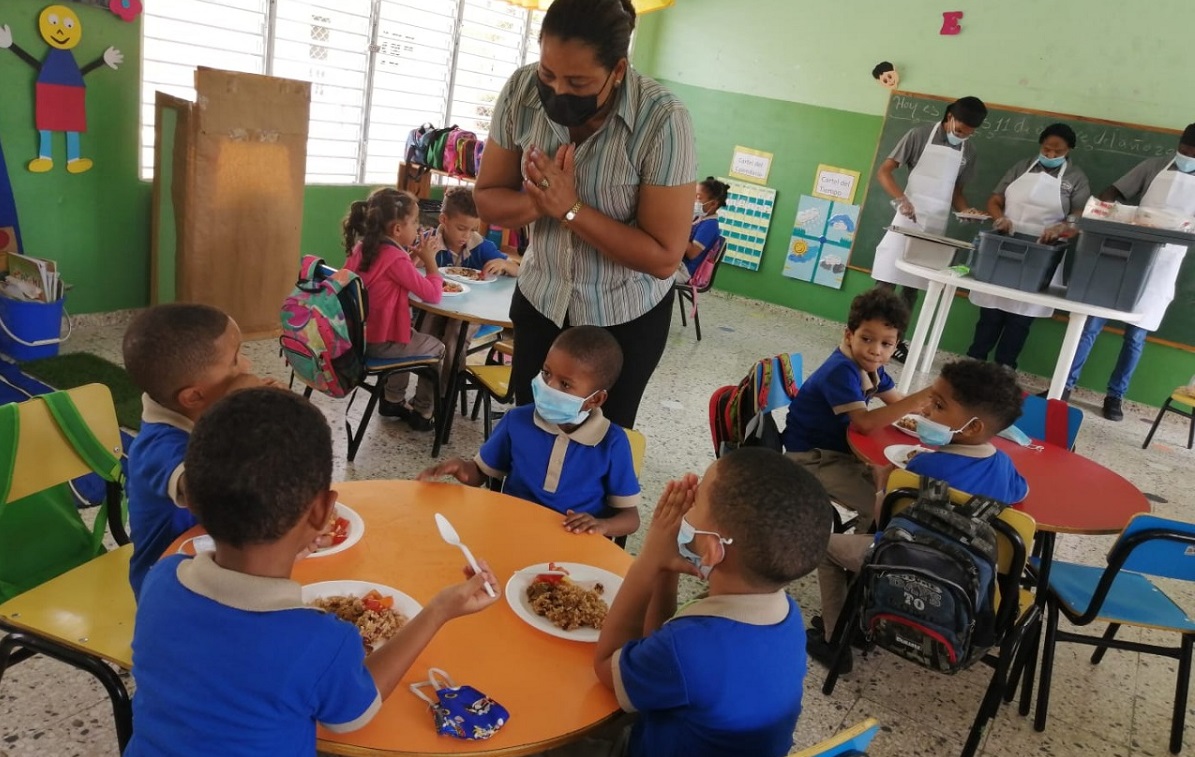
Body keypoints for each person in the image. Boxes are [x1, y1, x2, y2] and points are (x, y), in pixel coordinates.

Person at [125, 388, 499, 756]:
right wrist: (437, 611)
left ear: (192, 499)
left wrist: (287, 552)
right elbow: (357, 713)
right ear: (322, 513)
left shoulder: (161, 580)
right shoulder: (319, 640)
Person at [473, 0, 696, 430]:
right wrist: (538, 203)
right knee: (528, 434)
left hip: (623, 317)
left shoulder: (663, 120)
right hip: (543, 301)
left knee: (596, 451)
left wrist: (571, 210)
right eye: (548, 75)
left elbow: (665, 256)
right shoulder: (521, 92)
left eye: (578, 81)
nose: (558, 91)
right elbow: (487, 198)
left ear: (618, 70)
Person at [582, 448, 832, 757]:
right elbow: (658, 642)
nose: (687, 501)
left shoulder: (689, 648)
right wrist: (664, 568)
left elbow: (606, 665)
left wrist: (648, 560)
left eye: (696, 498)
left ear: (713, 550)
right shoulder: (787, 617)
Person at [807, 358, 1028, 674]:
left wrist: (883, 484)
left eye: (937, 405)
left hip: (905, 563)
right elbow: (1020, 493)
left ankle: (835, 639)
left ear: (974, 426)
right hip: (971, 581)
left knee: (827, 548)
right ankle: (856, 616)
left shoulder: (924, 470)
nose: (925, 411)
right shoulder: (1005, 467)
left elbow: (886, 521)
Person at [419, 326, 641, 538]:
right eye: (546, 373)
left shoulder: (611, 443)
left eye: (565, 384)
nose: (548, 386)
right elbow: (479, 474)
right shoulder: (517, 421)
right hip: (513, 530)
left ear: (595, 399)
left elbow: (630, 518)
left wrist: (602, 525)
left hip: (573, 544)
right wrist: (462, 468)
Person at [122, 303, 268, 599]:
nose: (247, 365)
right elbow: (214, 496)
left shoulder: (200, 416)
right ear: (193, 396)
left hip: (217, 562)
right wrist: (239, 412)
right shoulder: (157, 448)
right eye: (235, 359)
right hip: (169, 591)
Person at [1063, 123, 1195, 421]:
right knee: (1091, 323)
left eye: (1194, 154)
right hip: (1127, 254)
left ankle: (1115, 397)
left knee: (1136, 336)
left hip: (1166, 263)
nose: (1188, 157)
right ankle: (1065, 385)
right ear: (1179, 142)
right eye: (1185, 151)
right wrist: (1105, 210)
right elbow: (1114, 191)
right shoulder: (1154, 166)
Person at [781, 289, 933, 524]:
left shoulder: (871, 365)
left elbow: (896, 400)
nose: (876, 350)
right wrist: (917, 399)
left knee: (896, 488)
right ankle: (860, 555)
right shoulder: (841, 370)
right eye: (867, 339)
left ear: (896, 346)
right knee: (882, 506)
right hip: (811, 458)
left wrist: (931, 410)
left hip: (838, 451)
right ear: (849, 335)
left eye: (886, 344)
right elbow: (863, 423)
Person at [967, 123, 1092, 370]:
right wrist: (999, 218)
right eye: (1046, 149)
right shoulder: (1021, 167)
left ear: (1070, 150)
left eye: (1058, 151)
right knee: (991, 310)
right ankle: (973, 361)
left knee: (1021, 316)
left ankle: (1004, 367)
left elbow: (1080, 214)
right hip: (1005, 245)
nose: (1051, 155)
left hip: (1042, 252)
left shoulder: (1075, 178)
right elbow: (994, 200)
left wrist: (1062, 227)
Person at [871, 96, 988, 360]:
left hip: (935, 223)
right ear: (949, 117)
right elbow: (884, 171)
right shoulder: (920, 135)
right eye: (960, 131)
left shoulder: (968, 151)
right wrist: (902, 200)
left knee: (912, 287)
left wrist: (964, 210)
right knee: (886, 281)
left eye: (970, 134)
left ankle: (896, 342)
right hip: (906, 216)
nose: (963, 137)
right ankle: (866, 334)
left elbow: (956, 191)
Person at [391, 187, 519, 410]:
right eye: (461, 228)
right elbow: (406, 272)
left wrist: (506, 264)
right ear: (443, 220)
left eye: (472, 229)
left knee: (453, 337)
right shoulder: (429, 242)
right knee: (427, 332)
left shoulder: (479, 245)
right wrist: (418, 259)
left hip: (471, 312)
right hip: (433, 307)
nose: (466, 236)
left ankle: (442, 399)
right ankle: (423, 401)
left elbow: (520, 271)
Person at [343, 187, 446, 432]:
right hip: (381, 343)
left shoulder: (365, 248)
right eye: (415, 222)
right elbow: (433, 295)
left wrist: (416, 261)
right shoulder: (395, 258)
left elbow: (390, 276)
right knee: (439, 347)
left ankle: (392, 400)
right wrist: (431, 263)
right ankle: (423, 411)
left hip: (359, 338)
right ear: (397, 229)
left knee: (409, 334)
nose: (419, 227)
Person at [675, 176, 729, 284]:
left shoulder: (710, 225)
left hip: (683, 270)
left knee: (647, 269)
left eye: (698, 197)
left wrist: (677, 231)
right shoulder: (697, 218)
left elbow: (692, 253)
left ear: (713, 204)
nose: (693, 200)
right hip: (675, 262)